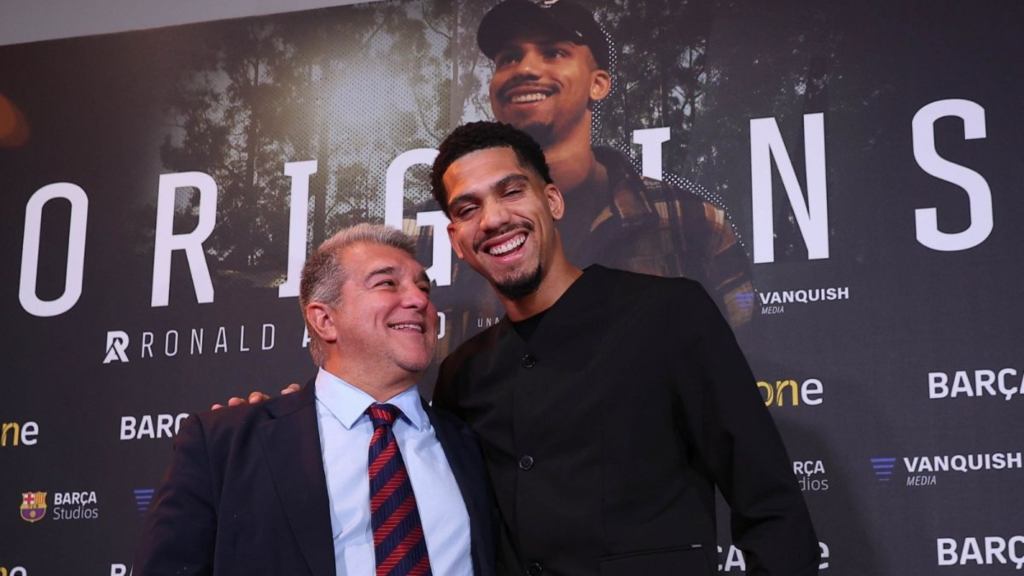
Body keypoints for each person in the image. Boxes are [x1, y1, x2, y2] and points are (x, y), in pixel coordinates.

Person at [429, 120, 819, 575]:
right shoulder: (462, 375)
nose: (493, 219)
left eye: (512, 191)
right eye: (468, 208)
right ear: (456, 240)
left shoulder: (670, 314)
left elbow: (772, 505)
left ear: (552, 201)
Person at [135, 224, 496, 576]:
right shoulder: (227, 444)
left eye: (423, 287)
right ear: (324, 320)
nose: (419, 300)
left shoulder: (474, 445)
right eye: (387, 283)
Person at [430, 0, 753, 355]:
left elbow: (744, 357)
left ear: (598, 83)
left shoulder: (692, 221)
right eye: (509, 58)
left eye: (554, 52)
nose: (525, 68)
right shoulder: (429, 240)